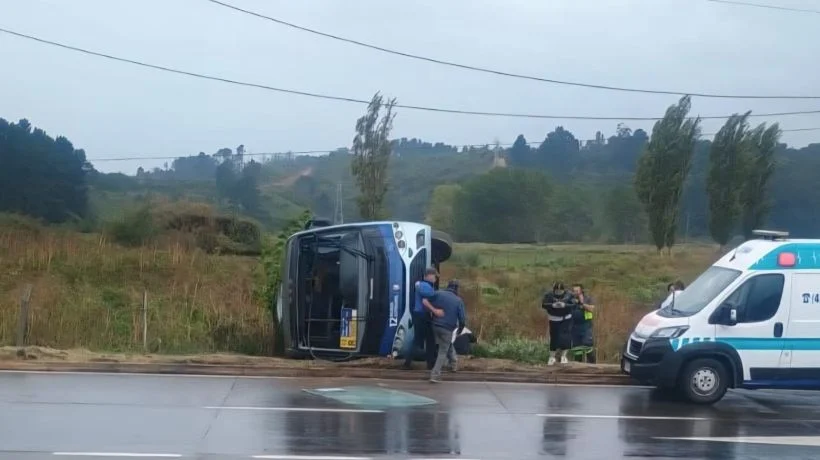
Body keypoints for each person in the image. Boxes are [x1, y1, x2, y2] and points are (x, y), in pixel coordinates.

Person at [402, 267, 442, 370]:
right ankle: (411, 363)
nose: (436, 278)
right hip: (422, 315)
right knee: (422, 340)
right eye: (435, 276)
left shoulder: (422, 284)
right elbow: (431, 296)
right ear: (429, 275)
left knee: (427, 339)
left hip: (421, 315)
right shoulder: (424, 286)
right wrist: (440, 294)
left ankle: (427, 363)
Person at [428, 280, 466, 383]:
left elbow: (427, 302)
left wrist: (434, 312)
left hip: (435, 325)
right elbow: (462, 319)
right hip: (447, 328)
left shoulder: (438, 293)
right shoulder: (458, 301)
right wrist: (460, 330)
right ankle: (435, 375)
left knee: (446, 344)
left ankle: (453, 364)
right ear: (456, 289)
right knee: (442, 351)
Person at [542, 282, 573, 365]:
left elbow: (574, 304)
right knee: (554, 338)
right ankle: (552, 357)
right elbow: (544, 304)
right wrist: (552, 305)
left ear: (563, 290)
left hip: (566, 318)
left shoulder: (569, 295)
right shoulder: (549, 295)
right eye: (557, 291)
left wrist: (565, 305)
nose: (559, 292)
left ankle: (564, 356)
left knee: (566, 337)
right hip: (554, 319)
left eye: (560, 291)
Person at [570, 283, 596, 363]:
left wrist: (581, 303)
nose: (575, 292)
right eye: (574, 291)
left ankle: (592, 366)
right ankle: (578, 367)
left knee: (588, 345)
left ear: (581, 291)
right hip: (574, 326)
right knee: (577, 349)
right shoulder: (570, 299)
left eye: (577, 291)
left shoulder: (587, 298)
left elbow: (592, 309)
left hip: (586, 326)